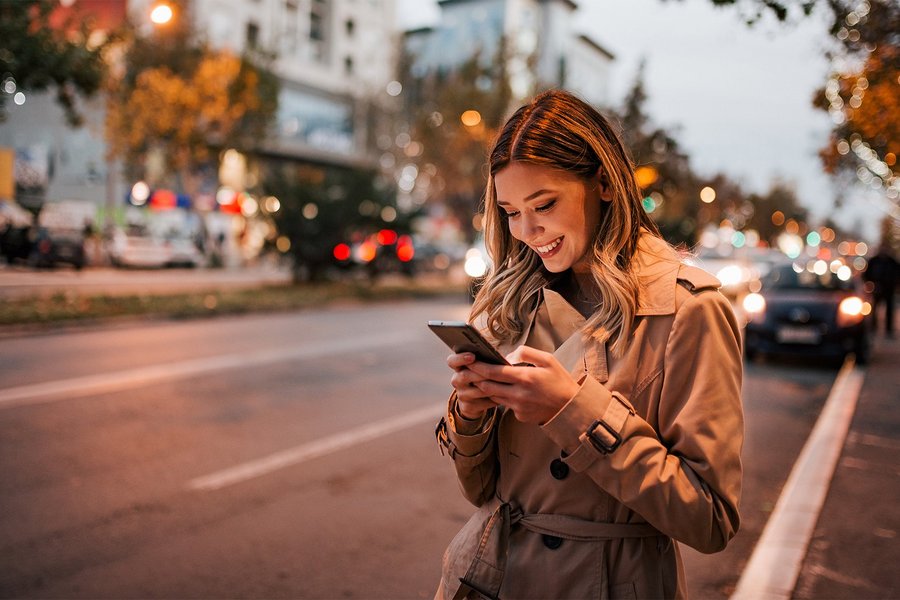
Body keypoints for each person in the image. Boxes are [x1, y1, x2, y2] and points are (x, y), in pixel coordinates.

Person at [433, 90, 744, 599]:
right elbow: (479, 492)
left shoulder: (688, 309)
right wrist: (469, 411)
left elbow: (710, 518)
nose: (528, 231)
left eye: (545, 204)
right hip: (495, 577)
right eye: (510, 211)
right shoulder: (510, 302)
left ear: (602, 181)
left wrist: (572, 410)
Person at [863, 246, 898, 337]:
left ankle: (888, 330)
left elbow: (897, 274)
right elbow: (866, 274)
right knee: (874, 309)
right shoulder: (874, 261)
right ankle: (873, 327)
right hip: (877, 289)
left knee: (889, 310)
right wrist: (870, 284)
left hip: (889, 289)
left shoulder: (892, 262)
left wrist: (895, 284)